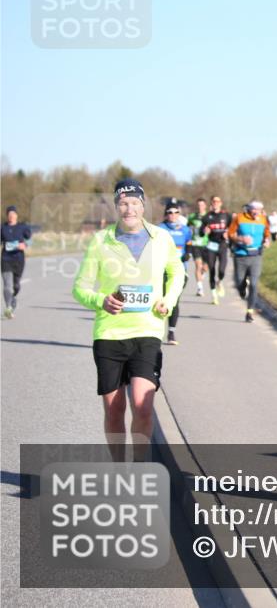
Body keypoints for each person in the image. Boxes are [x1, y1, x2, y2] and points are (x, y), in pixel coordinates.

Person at [72, 179, 184, 462]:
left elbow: (178, 273)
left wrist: (168, 301)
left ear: (143, 205)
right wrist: (101, 300)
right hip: (109, 334)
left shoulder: (161, 238)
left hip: (147, 330)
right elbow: (79, 288)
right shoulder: (101, 240)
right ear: (116, 206)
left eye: (134, 202)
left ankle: (140, 466)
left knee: (142, 405)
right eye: (123, 203)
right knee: (114, 409)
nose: (129, 208)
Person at [227, 199, 270, 323]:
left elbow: (267, 234)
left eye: (259, 209)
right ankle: (242, 288)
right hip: (241, 255)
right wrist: (240, 239)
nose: (257, 212)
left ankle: (250, 311)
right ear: (249, 209)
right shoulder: (239, 218)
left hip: (256, 255)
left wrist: (267, 241)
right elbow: (230, 233)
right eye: (254, 209)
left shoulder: (263, 219)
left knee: (254, 284)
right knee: (239, 281)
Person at [159, 201, 192, 345]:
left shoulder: (185, 229)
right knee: (159, 299)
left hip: (179, 270)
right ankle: (157, 331)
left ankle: (171, 332)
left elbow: (189, 244)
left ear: (179, 214)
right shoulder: (159, 229)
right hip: (161, 269)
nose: (173, 215)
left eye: (175, 212)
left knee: (174, 299)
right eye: (169, 212)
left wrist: (188, 254)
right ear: (166, 214)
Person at [2, 205, 32, 319]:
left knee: (16, 286)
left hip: (19, 260)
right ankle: (8, 307)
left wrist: (25, 245)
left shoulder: (22, 227)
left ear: (16, 215)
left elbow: (30, 239)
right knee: (7, 285)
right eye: (9, 214)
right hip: (6, 259)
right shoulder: (2, 228)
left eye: (13, 214)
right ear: (7, 216)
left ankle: (13, 298)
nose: (11, 216)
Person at [201, 195, 232, 305]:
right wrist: (205, 231)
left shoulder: (226, 215)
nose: (215, 203)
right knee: (212, 270)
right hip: (211, 245)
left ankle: (220, 281)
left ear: (221, 203)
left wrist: (227, 233)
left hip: (222, 245)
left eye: (217, 201)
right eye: (214, 201)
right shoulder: (207, 217)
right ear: (211, 203)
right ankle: (214, 295)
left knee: (222, 270)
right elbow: (201, 232)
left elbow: (233, 228)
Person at [188, 198, 210, 296]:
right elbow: (187, 228)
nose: (200, 207)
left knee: (206, 267)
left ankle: (203, 273)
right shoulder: (192, 217)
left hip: (206, 244)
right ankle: (200, 288)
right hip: (195, 244)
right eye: (198, 205)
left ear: (205, 206)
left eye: (202, 205)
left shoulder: (209, 216)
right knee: (198, 265)